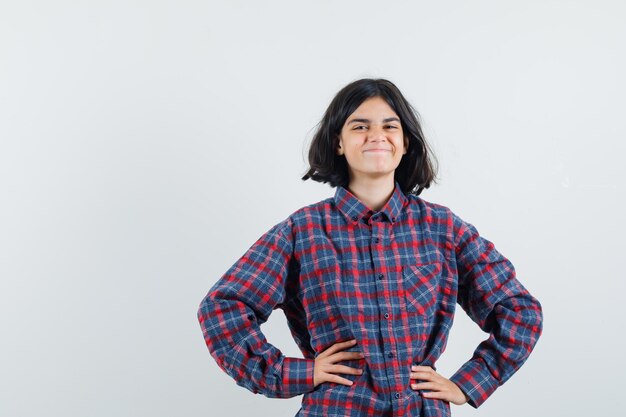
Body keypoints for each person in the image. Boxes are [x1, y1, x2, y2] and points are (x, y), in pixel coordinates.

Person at [197, 78, 543, 417]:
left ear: (405, 142)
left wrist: (468, 384)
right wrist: (300, 373)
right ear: (339, 143)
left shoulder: (443, 229)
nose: (376, 135)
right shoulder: (302, 231)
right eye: (360, 126)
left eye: (389, 126)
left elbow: (519, 311)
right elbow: (222, 308)